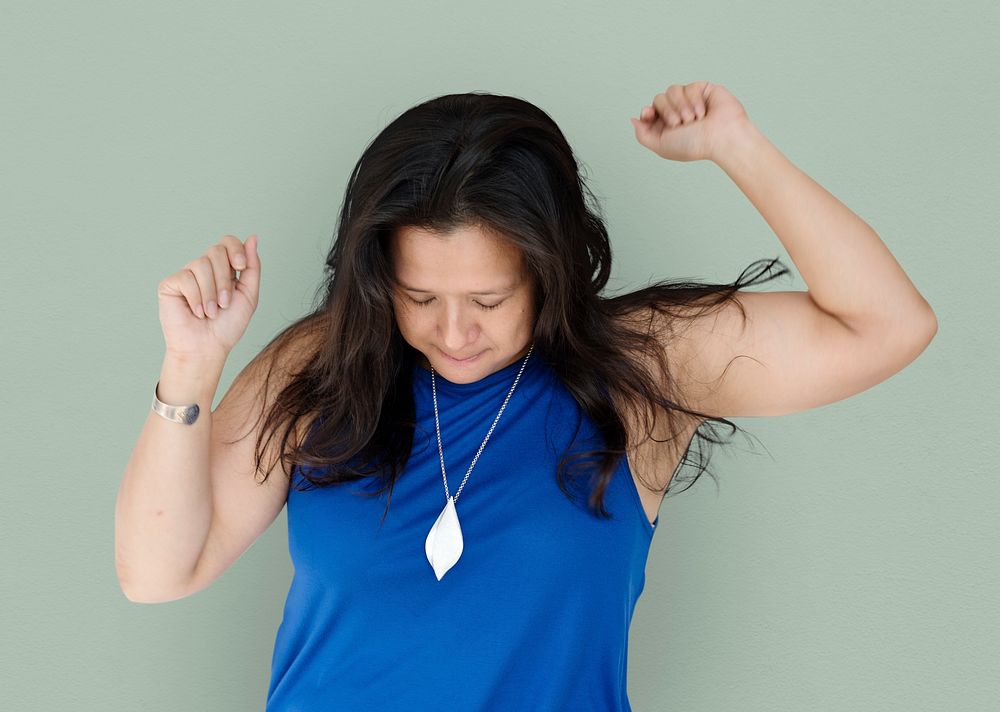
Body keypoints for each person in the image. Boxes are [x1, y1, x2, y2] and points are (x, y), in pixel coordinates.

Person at [115, 83, 937, 710]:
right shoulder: (322, 364)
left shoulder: (646, 368)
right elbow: (156, 571)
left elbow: (886, 326)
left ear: (551, 270)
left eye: (489, 301)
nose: (452, 332)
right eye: (419, 296)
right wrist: (190, 365)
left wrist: (736, 145)